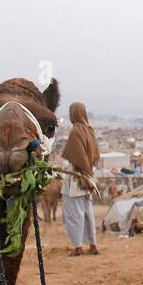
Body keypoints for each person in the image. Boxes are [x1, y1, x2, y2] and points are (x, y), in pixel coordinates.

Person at [61, 102, 100, 256]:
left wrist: (84, 172)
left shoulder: (76, 132)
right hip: (89, 178)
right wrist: (90, 174)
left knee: (74, 214)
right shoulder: (90, 131)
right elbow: (96, 156)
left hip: (76, 180)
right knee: (88, 214)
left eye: (71, 112)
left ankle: (77, 247)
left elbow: (77, 157)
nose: (70, 115)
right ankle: (93, 245)